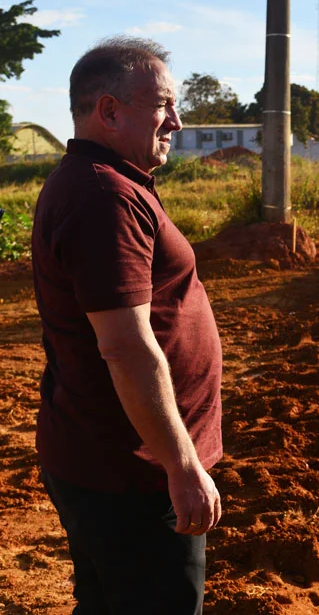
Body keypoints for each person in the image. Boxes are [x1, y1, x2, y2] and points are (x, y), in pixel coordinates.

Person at [31, 36, 223, 614]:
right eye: (163, 103)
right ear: (109, 110)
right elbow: (126, 347)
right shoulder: (102, 196)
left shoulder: (111, 183)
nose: (178, 120)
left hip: (114, 464)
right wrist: (181, 465)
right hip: (131, 475)